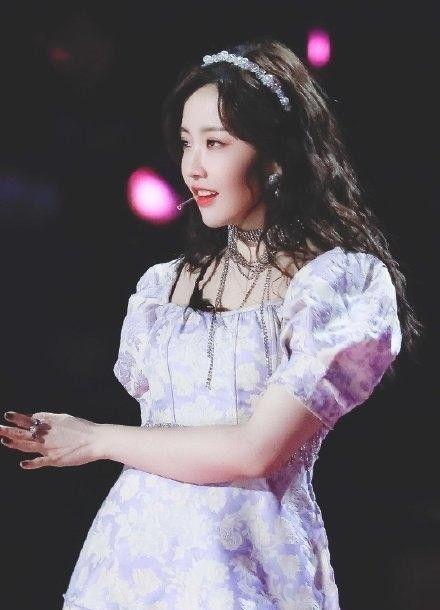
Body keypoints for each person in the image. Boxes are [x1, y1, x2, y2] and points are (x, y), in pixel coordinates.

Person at [0, 37, 423, 609]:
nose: (192, 167)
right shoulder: (163, 288)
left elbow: (255, 451)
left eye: (216, 143)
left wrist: (95, 439)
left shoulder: (335, 285)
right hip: (131, 562)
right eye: (186, 143)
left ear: (275, 157)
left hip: (247, 566)